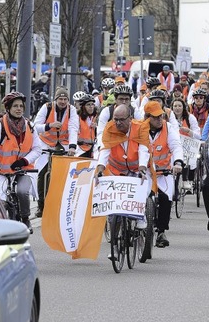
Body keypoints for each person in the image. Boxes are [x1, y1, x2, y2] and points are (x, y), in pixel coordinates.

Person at [0, 92, 42, 232]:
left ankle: (26, 219)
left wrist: (24, 161)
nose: (19, 109)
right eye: (15, 106)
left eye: (21, 106)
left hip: (24, 170)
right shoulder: (0, 125)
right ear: (8, 108)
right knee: (1, 203)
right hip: (2, 172)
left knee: (22, 191)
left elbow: (37, 149)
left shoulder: (29, 125)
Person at [94, 103, 152, 231]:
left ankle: (140, 216)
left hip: (138, 169)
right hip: (117, 171)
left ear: (130, 118)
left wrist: (142, 168)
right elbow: (105, 150)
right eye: (116, 119)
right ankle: (115, 242)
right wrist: (100, 169)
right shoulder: (109, 129)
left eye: (121, 120)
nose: (118, 123)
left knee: (144, 190)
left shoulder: (141, 128)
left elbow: (143, 149)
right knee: (114, 211)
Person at [142, 101, 184, 246]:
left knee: (166, 198)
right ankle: (135, 227)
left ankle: (161, 232)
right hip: (145, 172)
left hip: (163, 172)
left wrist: (178, 162)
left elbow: (176, 145)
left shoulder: (168, 127)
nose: (159, 119)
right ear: (147, 117)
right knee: (140, 197)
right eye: (155, 117)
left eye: (161, 116)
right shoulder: (139, 128)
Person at [32, 86, 79, 217]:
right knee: (42, 173)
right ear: (55, 99)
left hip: (62, 144)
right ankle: (41, 205)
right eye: (60, 99)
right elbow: (35, 126)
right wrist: (49, 126)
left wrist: (72, 147)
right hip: (45, 143)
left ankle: (61, 204)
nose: (63, 102)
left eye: (65, 99)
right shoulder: (46, 107)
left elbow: (73, 128)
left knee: (63, 174)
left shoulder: (72, 110)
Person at [171, 98, 199, 191]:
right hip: (174, 144)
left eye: (179, 106)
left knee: (186, 157)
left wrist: (188, 131)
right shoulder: (169, 118)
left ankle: (186, 179)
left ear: (183, 107)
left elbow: (198, 135)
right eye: (175, 106)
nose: (177, 108)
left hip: (188, 145)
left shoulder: (190, 118)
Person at [73, 92, 97, 158]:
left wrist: (96, 128)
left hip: (92, 149)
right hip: (80, 149)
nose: (91, 107)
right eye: (88, 105)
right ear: (83, 107)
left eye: (92, 104)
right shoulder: (77, 118)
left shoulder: (96, 117)